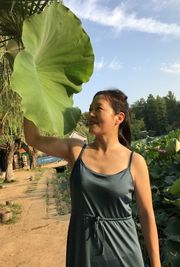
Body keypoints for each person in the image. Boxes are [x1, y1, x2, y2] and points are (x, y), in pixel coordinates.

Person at [24, 89, 161, 267]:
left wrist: (156, 263)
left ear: (118, 118)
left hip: (125, 252)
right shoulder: (75, 150)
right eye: (90, 108)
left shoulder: (135, 161)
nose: (90, 113)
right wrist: (29, 92)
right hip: (83, 251)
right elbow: (33, 138)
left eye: (98, 108)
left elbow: (146, 214)